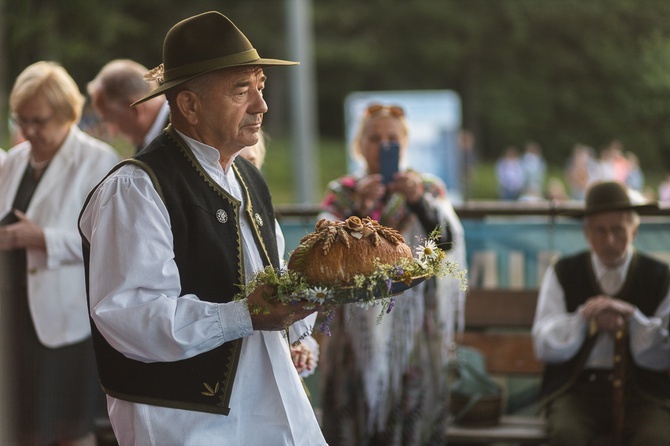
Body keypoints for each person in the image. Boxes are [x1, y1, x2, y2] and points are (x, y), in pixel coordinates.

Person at [78, 11, 325, 445]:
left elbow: (272, 279)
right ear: (189, 105)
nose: (260, 106)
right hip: (186, 423)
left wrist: (306, 309)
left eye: (261, 87)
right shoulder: (135, 188)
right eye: (241, 91)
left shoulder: (249, 178)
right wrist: (244, 314)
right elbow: (131, 316)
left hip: (271, 407)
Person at [318, 103, 466, 446]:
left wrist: (417, 201)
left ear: (404, 143)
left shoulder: (427, 188)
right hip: (353, 323)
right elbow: (324, 249)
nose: (382, 145)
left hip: (413, 325)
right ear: (359, 144)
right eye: (373, 138)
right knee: (352, 407)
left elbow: (447, 243)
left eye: (391, 138)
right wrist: (357, 209)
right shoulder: (342, 191)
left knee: (411, 406)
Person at [0, 61, 120, 445]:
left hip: (63, 321)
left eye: (39, 121)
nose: (29, 131)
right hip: (12, 314)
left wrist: (39, 239)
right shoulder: (15, 160)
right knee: (18, 427)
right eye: (22, 121)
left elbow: (107, 243)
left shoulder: (99, 160)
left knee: (67, 430)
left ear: (68, 114)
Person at [532, 180, 670, 445]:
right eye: (600, 231)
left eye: (618, 230)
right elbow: (544, 344)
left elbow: (664, 354)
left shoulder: (660, 276)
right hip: (577, 391)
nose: (608, 240)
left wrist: (632, 317)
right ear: (586, 233)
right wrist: (583, 318)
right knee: (567, 436)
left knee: (656, 439)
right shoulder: (563, 272)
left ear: (635, 230)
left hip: (641, 393)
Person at [239, 132, 319, 378]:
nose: (240, 172)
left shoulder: (263, 217)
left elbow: (281, 284)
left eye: (250, 162)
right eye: (235, 162)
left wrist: (300, 344)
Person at [87, 59, 170, 153]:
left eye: (111, 120)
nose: (112, 133)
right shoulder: (150, 141)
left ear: (135, 108)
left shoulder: (183, 131)